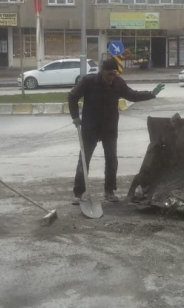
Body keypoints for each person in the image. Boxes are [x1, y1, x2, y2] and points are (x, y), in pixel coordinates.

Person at [69, 59, 165, 204]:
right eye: (109, 74)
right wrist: (75, 117)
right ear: (102, 71)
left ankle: (109, 191)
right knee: (84, 158)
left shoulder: (118, 83)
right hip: (90, 127)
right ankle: (78, 193)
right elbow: (72, 96)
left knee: (111, 159)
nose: (111, 77)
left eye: (114, 74)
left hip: (109, 127)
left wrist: (151, 93)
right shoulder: (89, 81)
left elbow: (132, 95)